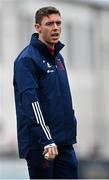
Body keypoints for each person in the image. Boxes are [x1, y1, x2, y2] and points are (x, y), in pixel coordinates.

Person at [13, 6, 78, 179]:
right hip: (41, 145)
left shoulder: (58, 57)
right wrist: (47, 139)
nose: (55, 27)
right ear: (37, 27)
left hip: (64, 143)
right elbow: (30, 103)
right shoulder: (27, 60)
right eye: (49, 23)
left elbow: (62, 99)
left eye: (58, 23)